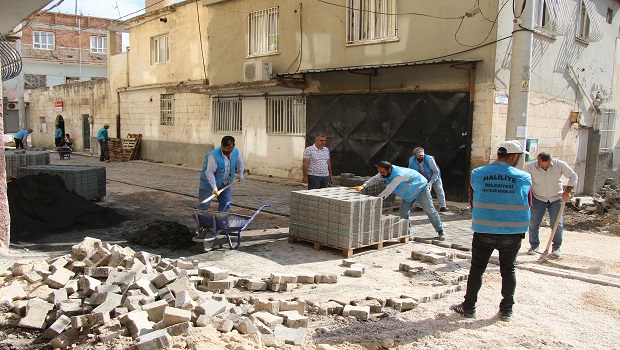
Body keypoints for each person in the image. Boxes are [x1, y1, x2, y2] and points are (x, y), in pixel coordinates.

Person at [450, 140, 532, 322]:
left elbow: (472, 199)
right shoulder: (524, 177)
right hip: (512, 233)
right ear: (514, 157)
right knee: (508, 270)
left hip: (483, 229)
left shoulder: (477, 174)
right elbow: (529, 202)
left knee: (477, 270)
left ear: (498, 154)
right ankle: (506, 311)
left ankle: (469, 307)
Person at [360, 161, 444, 240]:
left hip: (420, 188)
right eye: (380, 172)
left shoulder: (399, 175)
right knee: (403, 212)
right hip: (409, 193)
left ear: (389, 170)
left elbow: (389, 190)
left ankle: (440, 231)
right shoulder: (384, 172)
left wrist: (377, 199)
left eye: (382, 172)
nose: (381, 175)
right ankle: (406, 232)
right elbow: (375, 179)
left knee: (429, 210)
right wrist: (363, 186)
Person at [524, 152, 577, 258]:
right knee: (534, 223)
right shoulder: (530, 167)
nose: (544, 167)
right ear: (538, 161)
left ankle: (556, 247)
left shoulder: (560, 165)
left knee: (557, 224)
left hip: (556, 199)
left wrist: (567, 191)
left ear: (550, 161)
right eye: (542, 166)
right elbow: (524, 180)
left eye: (547, 166)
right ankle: (534, 245)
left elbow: (573, 176)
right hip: (538, 198)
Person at [199, 135, 244, 211]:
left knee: (226, 203)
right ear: (221, 144)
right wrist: (214, 187)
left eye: (229, 148)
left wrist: (240, 174)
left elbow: (240, 162)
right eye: (224, 147)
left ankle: (222, 219)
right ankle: (202, 220)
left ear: (233, 146)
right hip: (208, 183)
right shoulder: (213, 156)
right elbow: (209, 172)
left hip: (225, 182)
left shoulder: (235, 151)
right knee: (204, 205)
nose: (226, 150)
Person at [409, 147, 448, 212]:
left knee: (439, 190)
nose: (421, 156)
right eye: (419, 154)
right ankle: (419, 206)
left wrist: (431, 182)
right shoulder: (411, 160)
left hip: (434, 176)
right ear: (415, 155)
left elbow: (436, 172)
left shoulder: (429, 159)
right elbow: (410, 171)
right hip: (422, 178)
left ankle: (442, 206)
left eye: (422, 154)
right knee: (418, 190)